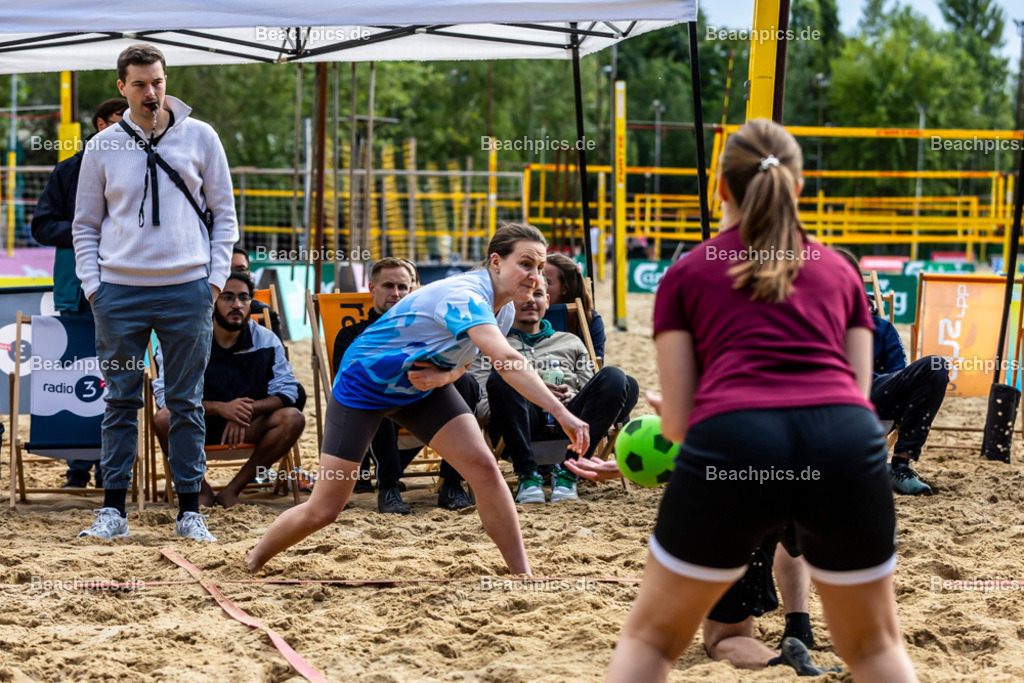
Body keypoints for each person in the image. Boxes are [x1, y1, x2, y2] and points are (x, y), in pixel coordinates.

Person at [584, 120, 917, 682]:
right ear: (800, 188)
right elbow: (859, 395)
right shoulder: (838, 270)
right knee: (877, 649)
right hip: (841, 442)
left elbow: (685, 424)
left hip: (736, 436)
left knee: (651, 640)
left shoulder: (688, 272)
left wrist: (678, 419)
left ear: (720, 190)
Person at [244, 224, 590, 575]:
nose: (534, 277)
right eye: (526, 264)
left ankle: (523, 574)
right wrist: (562, 413)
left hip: (420, 385)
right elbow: (508, 361)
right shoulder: (465, 295)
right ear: (496, 262)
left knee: (485, 470)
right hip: (364, 385)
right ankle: (254, 558)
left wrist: (447, 376)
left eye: (539, 268)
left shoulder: (503, 310)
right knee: (324, 509)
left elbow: (470, 356)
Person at [73, 44, 238, 541]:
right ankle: (113, 511)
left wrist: (212, 282)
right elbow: (85, 224)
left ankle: (190, 510)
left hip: (188, 289)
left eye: (159, 82)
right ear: (121, 88)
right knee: (120, 401)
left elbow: (225, 215)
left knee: (185, 402)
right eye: (141, 84)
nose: (152, 92)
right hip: (118, 292)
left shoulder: (201, 136)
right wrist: (94, 287)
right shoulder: (101, 147)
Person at [31, 96, 128, 489]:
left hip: (124, 286)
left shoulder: (143, 164)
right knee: (75, 371)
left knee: (118, 373)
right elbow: (41, 226)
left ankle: (112, 465)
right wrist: (86, 230)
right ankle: (77, 466)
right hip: (76, 288)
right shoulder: (69, 169)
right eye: (123, 118)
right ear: (102, 124)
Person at [331, 257, 474, 513]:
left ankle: (451, 483)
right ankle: (388, 486)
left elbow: (453, 362)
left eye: (402, 287)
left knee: (467, 384)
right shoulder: (351, 335)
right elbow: (348, 387)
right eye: (387, 286)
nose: (395, 294)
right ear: (372, 288)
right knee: (381, 389)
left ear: (413, 291)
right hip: (374, 412)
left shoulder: (427, 329)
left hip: (424, 402)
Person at [151, 272, 306, 508]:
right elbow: (166, 397)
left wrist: (245, 409)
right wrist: (222, 409)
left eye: (244, 298)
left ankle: (232, 490)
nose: (237, 305)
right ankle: (199, 489)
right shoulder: (183, 340)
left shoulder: (266, 339)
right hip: (197, 425)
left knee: (293, 418)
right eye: (227, 298)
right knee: (164, 418)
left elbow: (288, 391)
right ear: (211, 301)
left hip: (247, 426)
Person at [474, 281, 636, 503]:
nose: (531, 300)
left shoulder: (571, 341)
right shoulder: (491, 346)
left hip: (570, 425)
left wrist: (571, 397)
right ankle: (528, 476)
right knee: (504, 375)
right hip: (517, 425)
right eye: (523, 294)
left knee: (615, 377)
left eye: (538, 294)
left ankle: (568, 473)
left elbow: (590, 391)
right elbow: (482, 411)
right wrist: (529, 389)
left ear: (547, 302)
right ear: (508, 304)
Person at [835, 249, 948, 496]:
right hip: (825, 401)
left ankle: (900, 466)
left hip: (874, 398)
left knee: (935, 366)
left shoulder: (881, 329)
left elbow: (899, 380)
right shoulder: (808, 323)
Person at [543, 252, 606, 360]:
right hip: (533, 372)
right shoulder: (524, 312)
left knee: (615, 374)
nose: (538, 285)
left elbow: (594, 366)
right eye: (538, 278)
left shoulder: (589, 319)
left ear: (565, 288)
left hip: (575, 373)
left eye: (546, 282)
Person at [231, 246, 283, 340]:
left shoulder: (266, 313)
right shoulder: (205, 313)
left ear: (249, 274)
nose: (234, 275)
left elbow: (279, 353)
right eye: (228, 270)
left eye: (240, 270)